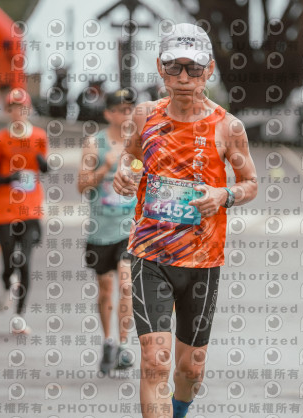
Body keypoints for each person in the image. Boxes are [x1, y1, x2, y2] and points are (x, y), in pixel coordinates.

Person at [113, 23, 258, 418]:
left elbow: (250, 183)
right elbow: (130, 157)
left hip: (202, 261)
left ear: (208, 69)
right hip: (150, 255)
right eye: (173, 67)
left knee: (190, 369)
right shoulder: (145, 115)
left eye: (193, 68)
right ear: (160, 68)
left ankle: (179, 410)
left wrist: (223, 195)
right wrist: (124, 172)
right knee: (155, 360)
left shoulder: (228, 126)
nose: (183, 77)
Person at [0, 88, 48, 334]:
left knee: (25, 262)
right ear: (8, 111)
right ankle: (8, 284)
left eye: (23, 108)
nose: (19, 112)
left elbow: (44, 166)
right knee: (9, 261)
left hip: (30, 209)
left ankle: (19, 317)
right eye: (14, 108)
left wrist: (45, 165)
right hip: (4, 210)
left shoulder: (39, 136)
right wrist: (9, 178)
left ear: (28, 109)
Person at [78, 88, 137, 374]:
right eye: (121, 110)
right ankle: (109, 341)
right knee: (105, 289)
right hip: (101, 229)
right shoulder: (95, 143)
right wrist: (106, 168)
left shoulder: (138, 143)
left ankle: (123, 345)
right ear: (108, 114)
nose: (127, 115)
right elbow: (81, 185)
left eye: (130, 109)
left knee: (126, 285)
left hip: (130, 228)